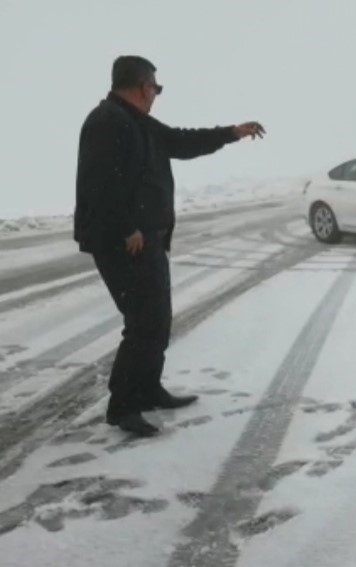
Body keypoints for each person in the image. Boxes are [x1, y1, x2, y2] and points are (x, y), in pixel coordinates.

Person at [74, 55, 266, 437]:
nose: (157, 94)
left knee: (157, 321)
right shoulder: (106, 121)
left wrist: (231, 132)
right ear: (143, 85)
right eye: (156, 87)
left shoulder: (138, 122)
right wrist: (127, 228)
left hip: (148, 238)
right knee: (143, 322)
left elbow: (181, 140)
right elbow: (100, 183)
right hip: (124, 242)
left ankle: (147, 389)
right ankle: (123, 406)